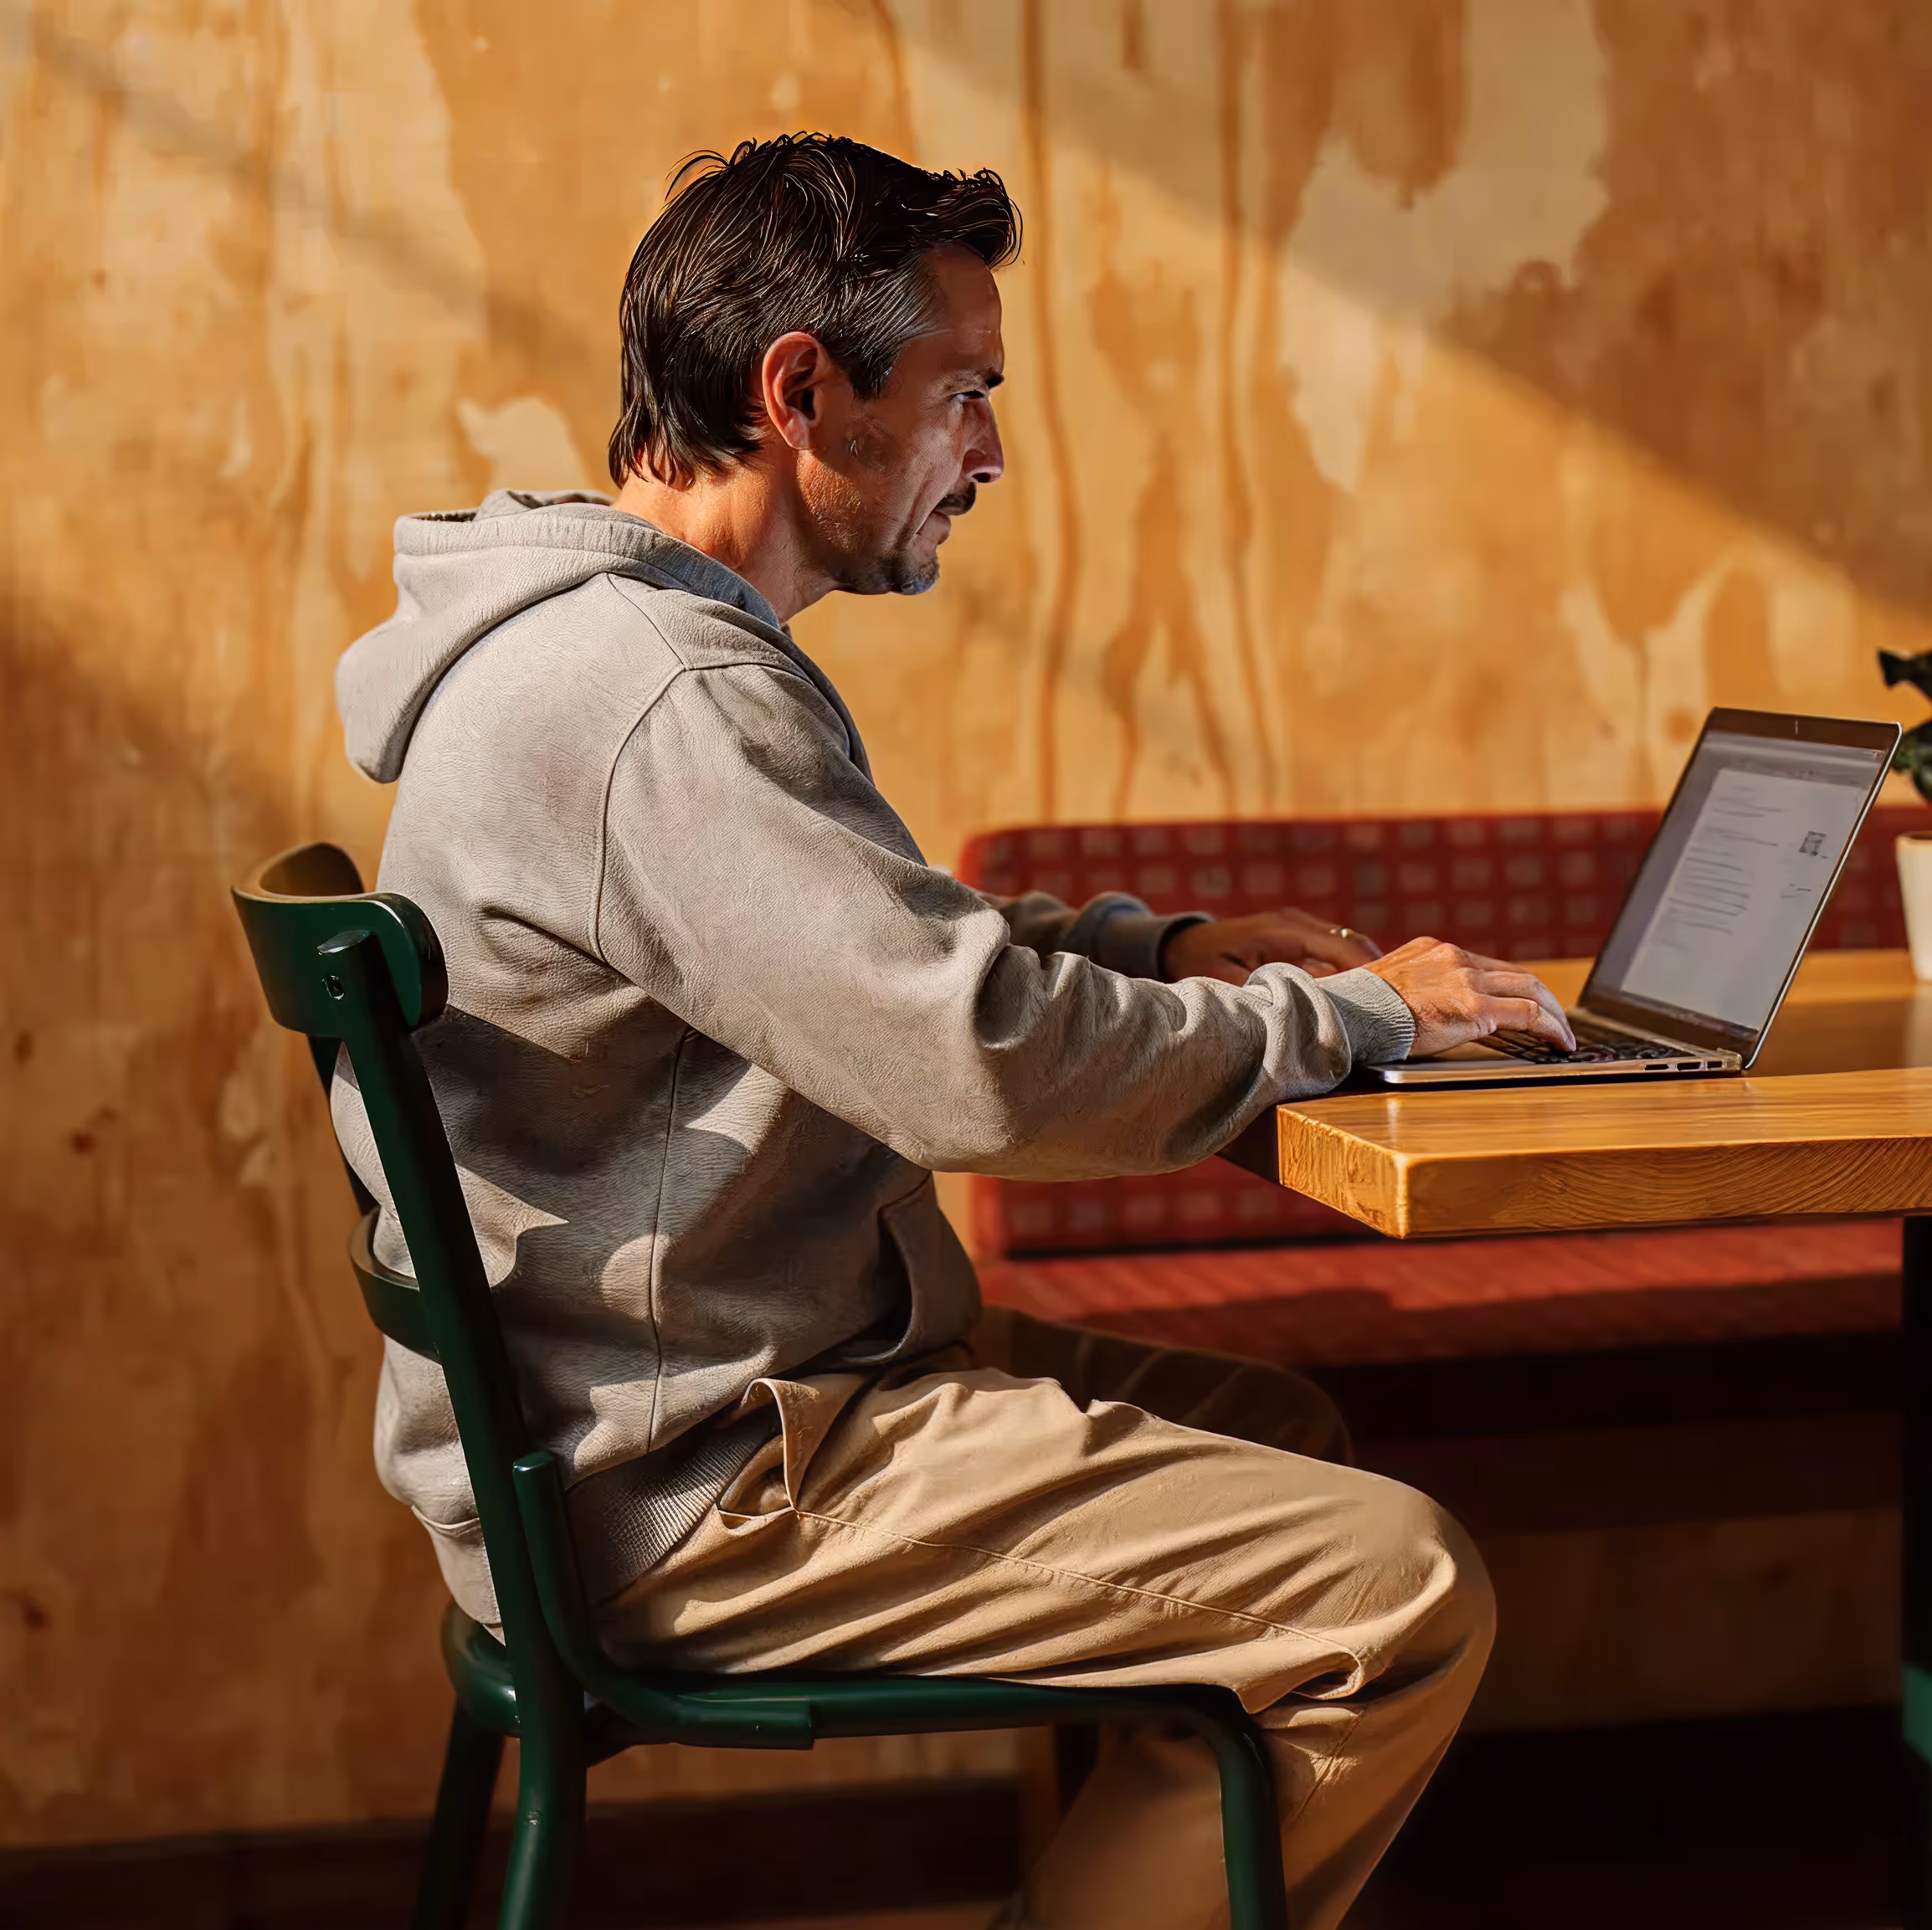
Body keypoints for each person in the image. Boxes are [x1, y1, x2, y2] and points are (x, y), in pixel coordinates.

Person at [332, 134, 1574, 1929]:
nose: (986, 450)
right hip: (708, 1479)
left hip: (642, 1425)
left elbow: (861, 954)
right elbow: (976, 1065)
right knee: (1393, 1590)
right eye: (962, 392)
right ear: (798, 391)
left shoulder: (614, 654)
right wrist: (1358, 1014)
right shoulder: (655, 696)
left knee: (1289, 1439)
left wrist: (1171, 947)